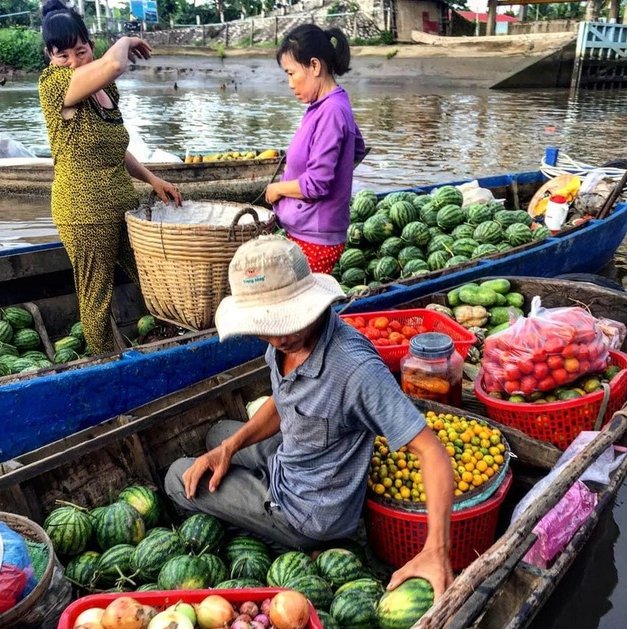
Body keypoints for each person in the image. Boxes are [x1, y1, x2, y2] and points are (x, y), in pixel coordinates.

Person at [165, 236, 455, 598]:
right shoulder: (282, 344)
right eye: (265, 326)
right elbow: (284, 400)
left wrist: (435, 551)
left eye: (284, 323)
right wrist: (229, 448)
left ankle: (282, 539)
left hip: (307, 511)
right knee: (217, 435)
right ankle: (242, 476)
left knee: (177, 477)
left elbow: (432, 451)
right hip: (293, 458)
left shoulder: (356, 370)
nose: (275, 337)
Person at [39, 0, 182, 356]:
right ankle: (106, 364)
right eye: (63, 56)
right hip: (84, 211)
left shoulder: (106, 91)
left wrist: (152, 179)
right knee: (96, 297)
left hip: (123, 206)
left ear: (90, 46)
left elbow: (115, 146)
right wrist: (126, 39)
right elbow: (116, 62)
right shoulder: (55, 86)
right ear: (50, 57)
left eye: (81, 51)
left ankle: (170, 343)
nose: (74, 61)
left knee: (150, 276)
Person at [264, 24, 365, 275]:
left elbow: (318, 183)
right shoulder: (328, 105)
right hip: (307, 228)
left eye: (291, 73)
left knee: (299, 311)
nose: (289, 83)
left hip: (315, 238)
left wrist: (277, 189)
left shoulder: (330, 111)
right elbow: (357, 148)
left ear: (315, 66)